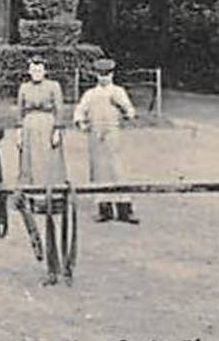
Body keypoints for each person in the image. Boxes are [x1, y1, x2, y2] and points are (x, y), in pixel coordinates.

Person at [73, 58, 139, 223]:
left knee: (118, 170)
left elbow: (131, 112)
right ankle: (104, 209)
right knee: (99, 171)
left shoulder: (118, 91)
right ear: (96, 75)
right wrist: (81, 123)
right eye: (101, 75)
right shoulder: (90, 94)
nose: (104, 78)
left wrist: (124, 109)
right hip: (96, 136)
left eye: (107, 74)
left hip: (113, 135)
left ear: (112, 74)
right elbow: (79, 111)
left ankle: (125, 209)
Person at [16, 57, 68, 190]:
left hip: (48, 126)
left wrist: (57, 131)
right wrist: (19, 132)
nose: (36, 73)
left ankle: (52, 193)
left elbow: (59, 108)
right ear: (29, 71)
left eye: (39, 70)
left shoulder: (54, 86)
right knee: (29, 160)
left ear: (44, 71)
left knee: (50, 158)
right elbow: (20, 111)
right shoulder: (24, 87)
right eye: (33, 70)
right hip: (29, 127)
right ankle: (29, 192)